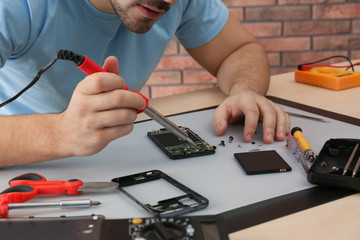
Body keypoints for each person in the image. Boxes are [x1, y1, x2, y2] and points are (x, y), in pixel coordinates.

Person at [0, 0, 290, 167]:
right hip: (20, 161)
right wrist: (60, 132)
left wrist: (245, 89)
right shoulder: (16, 6)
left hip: (113, 157)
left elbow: (238, 50)